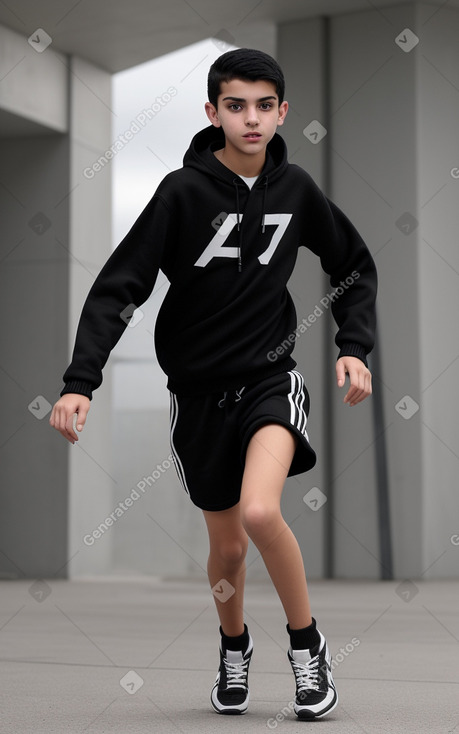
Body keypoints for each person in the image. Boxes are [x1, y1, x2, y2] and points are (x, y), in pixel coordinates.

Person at [50, 47, 377, 720]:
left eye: (264, 106)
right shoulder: (181, 192)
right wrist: (81, 381)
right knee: (226, 549)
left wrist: (354, 347)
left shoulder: (296, 191)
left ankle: (307, 648)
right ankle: (234, 646)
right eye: (235, 105)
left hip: (268, 382)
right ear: (213, 112)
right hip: (196, 397)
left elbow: (351, 265)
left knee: (260, 514)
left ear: (281, 112)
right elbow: (120, 288)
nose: (250, 118)